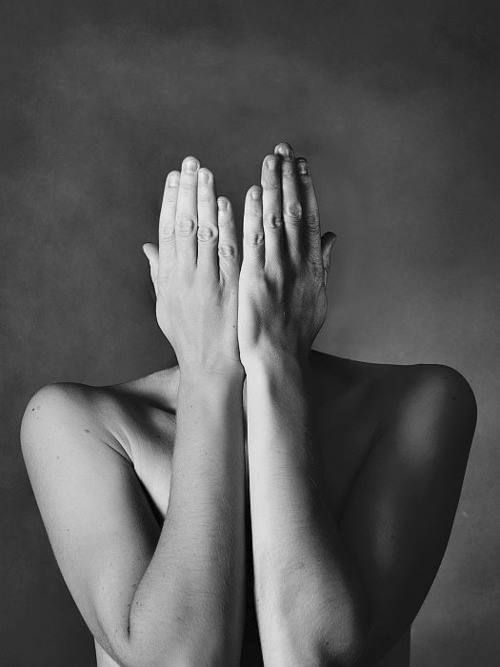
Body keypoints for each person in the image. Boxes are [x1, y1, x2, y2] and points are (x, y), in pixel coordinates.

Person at [21, 142, 477, 667]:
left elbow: (312, 654)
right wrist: (209, 370)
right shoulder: (76, 424)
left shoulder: (422, 404)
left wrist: (275, 361)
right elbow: (177, 661)